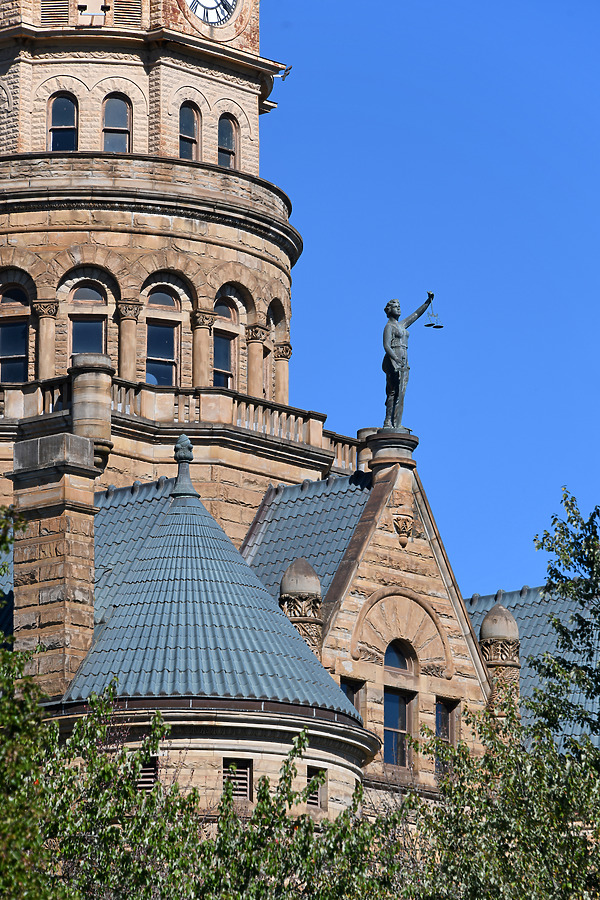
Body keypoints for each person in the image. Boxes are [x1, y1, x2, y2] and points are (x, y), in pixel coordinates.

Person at [382, 292, 433, 430]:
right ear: (389, 310)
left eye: (399, 306)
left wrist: (428, 302)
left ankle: (397, 423)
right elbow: (386, 345)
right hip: (394, 359)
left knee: (402, 392)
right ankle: (388, 421)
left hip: (404, 359)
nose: (398, 308)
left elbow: (416, 315)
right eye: (395, 306)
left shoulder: (402, 325)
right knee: (393, 391)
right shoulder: (389, 327)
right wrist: (395, 359)